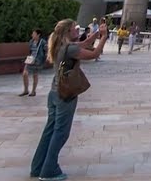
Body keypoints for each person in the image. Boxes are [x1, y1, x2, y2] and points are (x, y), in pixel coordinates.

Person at [30, 18, 108, 181]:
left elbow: (84, 43)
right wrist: (104, 38)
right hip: (65, 95)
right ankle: (49, 170)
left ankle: (37, 167)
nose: (77, 31)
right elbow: (94, 54)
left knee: (50, 130)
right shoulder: (70, 48)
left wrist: (97, 34)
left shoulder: (60, 44)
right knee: (61, 132)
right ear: (68, 32)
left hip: (54, 92)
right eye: (75, 28)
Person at [21, 29, 48, 96]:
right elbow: (30, 50)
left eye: (34, 34)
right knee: (25, 73)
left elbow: (46, 50)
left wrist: (44, 59)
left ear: (38, 35)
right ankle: (26, 90)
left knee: (35, 75)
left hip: (38, 60)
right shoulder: (31, 41)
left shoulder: (42, 42)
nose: (32, 35)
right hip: (30, 59)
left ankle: (33, 91)